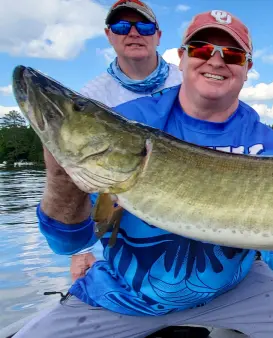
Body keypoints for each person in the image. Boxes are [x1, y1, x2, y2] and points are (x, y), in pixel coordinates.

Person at [14, 9, 273, 338]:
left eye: (232, 54)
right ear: (181, 58)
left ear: (247, 69)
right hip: (122, 296)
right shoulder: (131, 125)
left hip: (234, 290)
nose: (216, 60)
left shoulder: (267, 147)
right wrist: (62, 177)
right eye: (202, 49)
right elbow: (68, 244)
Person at [69, 0, 183, 282]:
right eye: (122, 26)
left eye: (143, 26)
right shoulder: (93, 98)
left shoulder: (186, 81)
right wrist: (82, 248)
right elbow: (83, 175)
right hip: (132, 217)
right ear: (109, 35)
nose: (133, 32)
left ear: (158, 36)